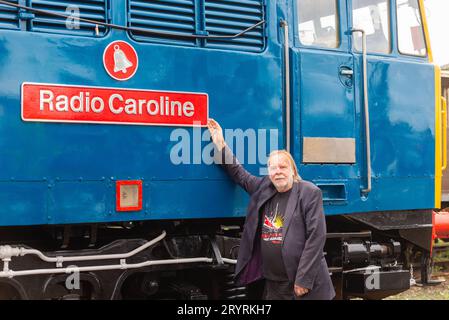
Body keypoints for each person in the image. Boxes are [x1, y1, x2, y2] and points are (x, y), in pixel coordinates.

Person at [207, 119, 335, 300]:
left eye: (283, 167)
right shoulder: (263, 188)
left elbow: (316, 238)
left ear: (293, 171)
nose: (278, 171)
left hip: (304, 283)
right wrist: (220, 142)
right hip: (275, 283)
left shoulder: (309, 192)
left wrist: (303, 280)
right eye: (272, 168)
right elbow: (239, 174)